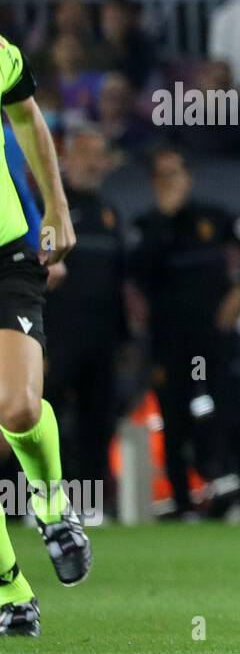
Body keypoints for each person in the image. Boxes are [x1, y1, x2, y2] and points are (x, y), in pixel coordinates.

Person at [0, 34, 89, 638]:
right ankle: (12, 592)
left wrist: (56, 206)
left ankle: (53, 507)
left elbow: (26, 114)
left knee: (20, 404)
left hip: (5, 253)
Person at [131, 146, 240, 522]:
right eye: (164, 176)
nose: (172, 183)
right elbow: (136, 270)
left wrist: (239, 289)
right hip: (170, 339)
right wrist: (164, 220)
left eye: (177, 174)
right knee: (174, 420)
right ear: (154, 183)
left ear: (189, 176)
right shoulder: (146, 226)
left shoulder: (214, 217)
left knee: (233, 412)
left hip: (215, 335)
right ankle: (184, 504)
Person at [43, 126, 128, 504]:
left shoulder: (109, 212)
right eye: (87, 154)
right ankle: (40, 505)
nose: (95, 163)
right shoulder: (51, 206)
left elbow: (118, 281)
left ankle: (90, 507)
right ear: (69, 158)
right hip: (57, 335)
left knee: (98, 422)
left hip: (100, 337)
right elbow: (35, 272)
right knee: (47, 422)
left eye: (100, 155)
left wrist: (123, 336)